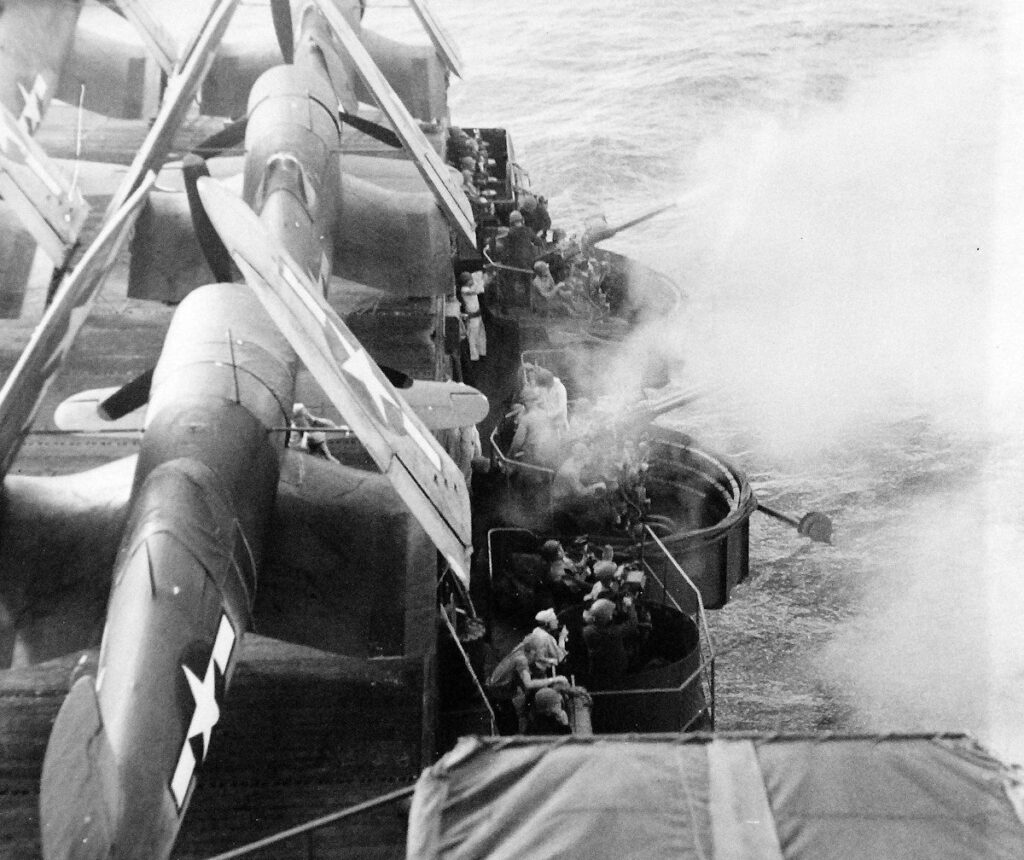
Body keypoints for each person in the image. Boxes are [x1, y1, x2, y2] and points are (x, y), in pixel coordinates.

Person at [486, 629, 570, 733]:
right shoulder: (522, 659)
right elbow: (528, 684)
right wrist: (555, 679)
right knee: (510, 728)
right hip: (499, 696)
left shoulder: (522, 650)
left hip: (503, 693)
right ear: (536, 649)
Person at [582, 597, 639, 684]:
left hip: (597, 669)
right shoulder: (612, 633)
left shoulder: (587, 631)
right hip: (615, 669)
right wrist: (630, 606)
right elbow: (632, 624)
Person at [503, 210, 544, 304]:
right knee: (527, 281)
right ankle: (528, 301)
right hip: (528, 261)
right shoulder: (528, 230)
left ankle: (510, 301)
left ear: (511, 222)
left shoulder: (511, 232)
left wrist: (503, 260)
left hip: (515, 262)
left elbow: (507, 249)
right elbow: (538, 242)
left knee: (509, 280)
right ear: (521, 220)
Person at [458, 271, 487, 362]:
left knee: (481, 335)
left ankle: (482, 355)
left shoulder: (470, 287)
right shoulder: (464, 289)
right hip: (472, 318)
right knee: (473, 338)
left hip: (478, 316)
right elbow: (477, 290)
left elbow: (477, 276)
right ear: (466, 282)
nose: (472, 280)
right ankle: (474, 359)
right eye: (470, 279)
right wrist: (484, 280)